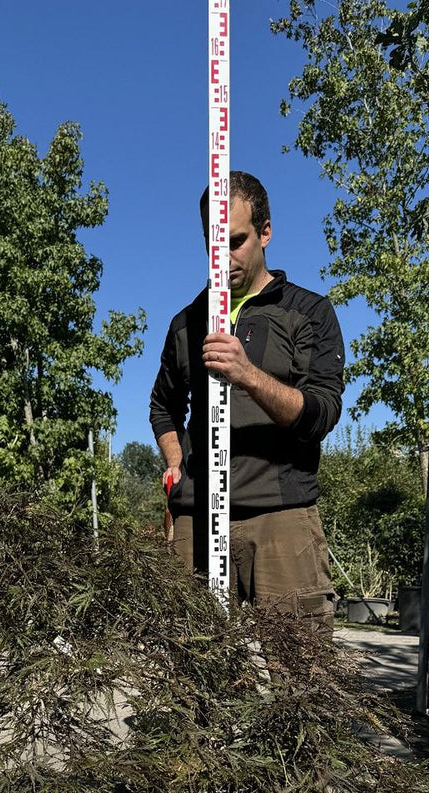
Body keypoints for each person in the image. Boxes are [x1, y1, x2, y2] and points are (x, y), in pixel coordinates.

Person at [149, 170, 345, 632]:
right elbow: (163, 406)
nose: (223, 258)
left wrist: (249, 376)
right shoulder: (187, 322)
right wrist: (176, 465)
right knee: (194, 678)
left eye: (235, 241)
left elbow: (321, 413)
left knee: (301, 678)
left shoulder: (308, 313)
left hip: (281, 518)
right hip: (197, 516)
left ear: (266, 232)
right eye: (212, 244)